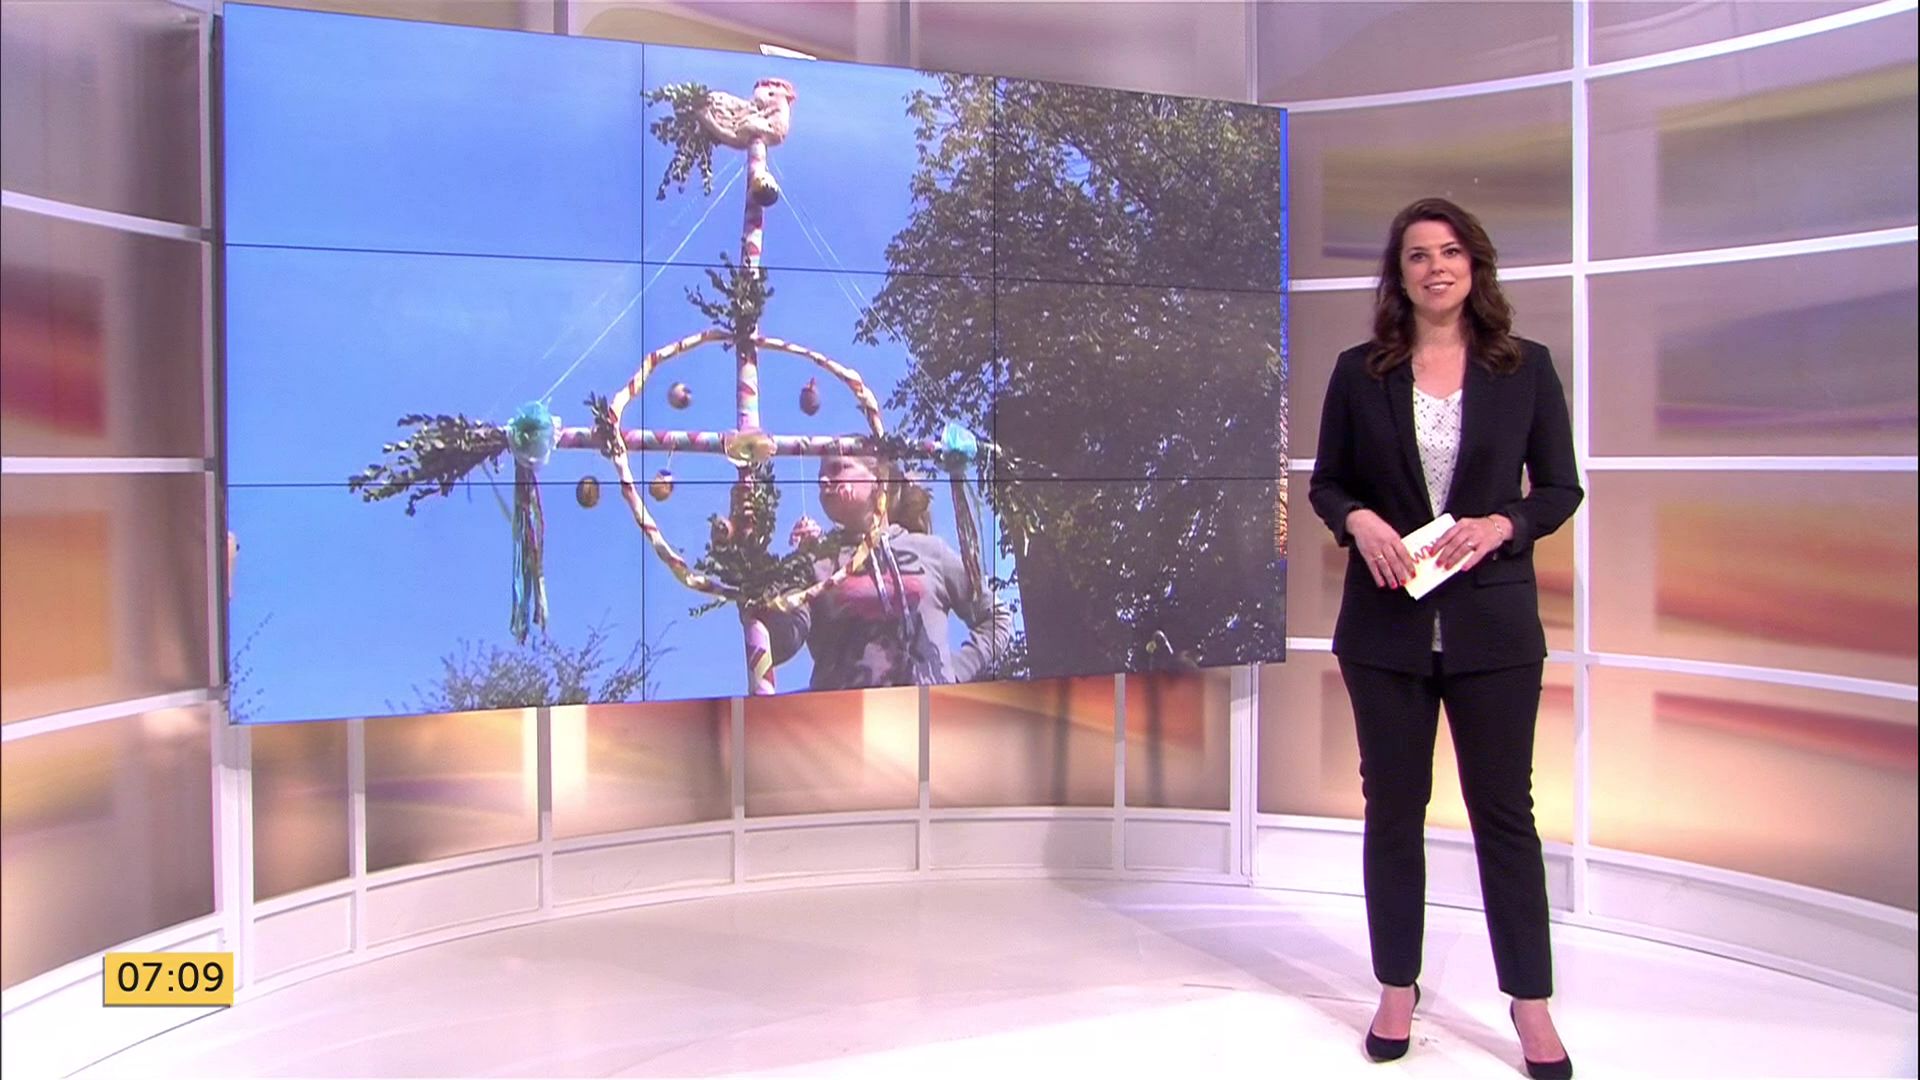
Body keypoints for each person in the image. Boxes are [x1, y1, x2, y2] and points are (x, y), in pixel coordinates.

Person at [1308, 197, 1582, 1080]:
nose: (1437, 267)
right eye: (1419, 255)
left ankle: (1530, 1003)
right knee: (1393, 811)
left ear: (1476, 266)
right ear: (1400, 274)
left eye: (1452, 252)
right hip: (1384, 630)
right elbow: (1327, 483)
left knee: (1505, 815)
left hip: (1493, 629)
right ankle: (1397, 987)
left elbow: (1561, 488)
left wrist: (1505, 524)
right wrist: (1358, 522)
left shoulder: (1525, 368)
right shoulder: (1360, 372)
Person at [762, 451, 1010, 690]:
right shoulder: (817, 562)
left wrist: (952, 673)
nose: (825, 480)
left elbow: (997, 618)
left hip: (929, 713)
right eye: (820, 478)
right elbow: (780, 644)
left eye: (838, 468)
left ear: (878, 478)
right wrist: (774, 578)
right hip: (846, 715)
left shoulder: (930, 551)